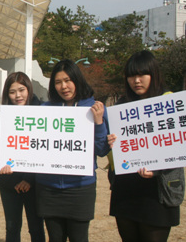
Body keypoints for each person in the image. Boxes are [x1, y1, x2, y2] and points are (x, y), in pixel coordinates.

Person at [107, 50, 182, 242]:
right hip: (126, 190)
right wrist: (111, 143)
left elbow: (177, 146)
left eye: (141, 75)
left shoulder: (169, 103)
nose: (136, 81)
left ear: (154, 74)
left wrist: (157, 169)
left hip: (157, 193)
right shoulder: (122, 105)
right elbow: (113, 149)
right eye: (131, 76)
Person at [36, 59, 110, 242]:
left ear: (77, 80)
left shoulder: (95, 108)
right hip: (48, 188)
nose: (64, 86)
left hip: (80, 188)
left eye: (68, 80)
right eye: (58, 82)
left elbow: (101, 151)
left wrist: (99, 122)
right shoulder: (45, 109)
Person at [0, 72, 45, 242]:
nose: (17, 96)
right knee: (12, 226)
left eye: (21, 90)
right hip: (9, 182)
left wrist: (29, 180)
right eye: (12, 92)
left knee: (36, 227)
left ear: (29, 89)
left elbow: (44, 152)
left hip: (35, 183)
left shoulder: (43, 113)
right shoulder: (1, 116)